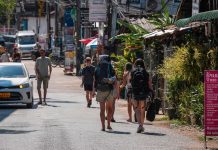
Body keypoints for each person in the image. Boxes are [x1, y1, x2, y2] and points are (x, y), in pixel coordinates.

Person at [94, 55, 115, 131]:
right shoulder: (110, 66)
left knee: (102, 110)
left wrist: (94, 91)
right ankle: (108, 124)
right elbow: (114, 78)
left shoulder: (98, 67)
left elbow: (95, 80)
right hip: (109, 89)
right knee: (110, 108)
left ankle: (103, 126)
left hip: (100, 89)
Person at [131, 58, 152, 133]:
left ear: (135, 64)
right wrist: (151, 91)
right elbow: (149, 83)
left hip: (135, 92)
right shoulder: (145, 72)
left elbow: (131, 82)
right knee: (142, 109)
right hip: (143, 92)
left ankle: (139, 125)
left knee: (137, 109)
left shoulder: (133, 72)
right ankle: (142, 125)